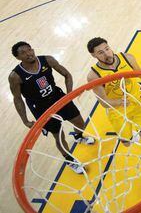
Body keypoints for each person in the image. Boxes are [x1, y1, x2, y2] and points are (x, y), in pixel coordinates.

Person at [86, 37, 141, 188]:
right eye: (100, 53)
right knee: (126, 143)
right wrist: (119, 102)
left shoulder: (126, 57)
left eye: (107, 48)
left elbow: (139, 71)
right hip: (117, 111)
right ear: (94, 56)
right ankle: (130, 137)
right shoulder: (94, 75)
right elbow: (103, 102)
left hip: (137, 103)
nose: (107, 54)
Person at [9, 41, 95, 174]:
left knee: (80, 122)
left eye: (29, 50)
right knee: (59, 135)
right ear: (18, 57)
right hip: (41, 108)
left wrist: (69, 94)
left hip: (58, 97)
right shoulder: (15, 76)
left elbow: (67, 75)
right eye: (23, 53)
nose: (28, 54)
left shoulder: (47, 60)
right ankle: (69, 160)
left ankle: (78, 137)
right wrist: (25, 120)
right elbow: (18, 99)